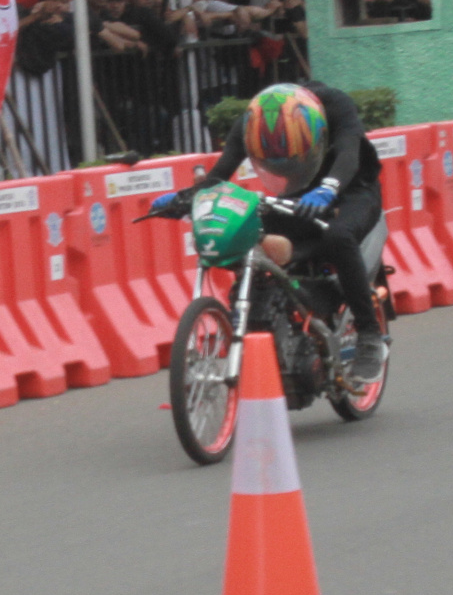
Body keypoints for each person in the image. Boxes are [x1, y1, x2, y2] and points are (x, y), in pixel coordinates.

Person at [154, 82, 388, 382]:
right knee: (251, 232)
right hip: (297, 196)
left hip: (353, 190)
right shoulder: (251, 123)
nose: (287, 167)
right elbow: (220, 175)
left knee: (337, 235)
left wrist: (328, 189)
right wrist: (185, 197)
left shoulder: (335, 106)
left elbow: (348, 153)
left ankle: (369, 335)